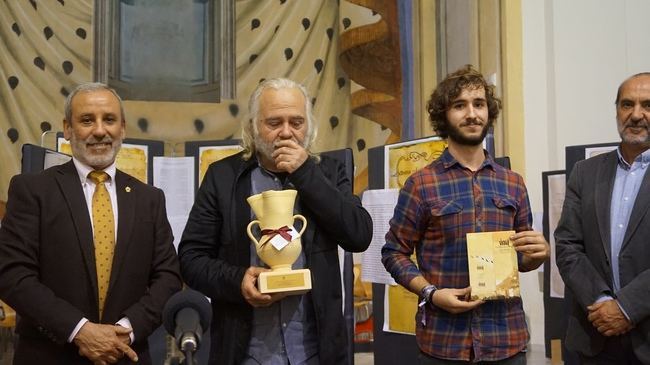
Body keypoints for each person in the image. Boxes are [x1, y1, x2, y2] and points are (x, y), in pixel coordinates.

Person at [178, 77, 372, 364]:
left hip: (316, 352)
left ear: (309, 126)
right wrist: (237, 280)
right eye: (274, 123)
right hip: (246, 352)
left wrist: (305, 172)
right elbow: (191, 259)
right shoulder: (223, 177)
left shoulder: (329, 173)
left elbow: (358, 234)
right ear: (253, 127)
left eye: (296, 122)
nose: (286, 133)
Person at [0, 82, 182, 364]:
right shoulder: (32, 190)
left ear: (122, 128)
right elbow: (12, 274)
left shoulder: (150, 199)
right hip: (50, 355)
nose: (99, 130)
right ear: (68, 129)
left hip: (125, 353)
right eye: (87, 120)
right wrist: (80, 331)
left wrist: (125, 331)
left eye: (109, 119)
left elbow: (168, 277)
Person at [382, 65, 550, 364]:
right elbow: (394, 253)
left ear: (489, 112)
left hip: (506, 341)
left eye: (479, 104)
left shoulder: (513, 183)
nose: (472, 113)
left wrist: (536, 255)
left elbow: (521, 259)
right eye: (460, 105)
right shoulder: (421, 184)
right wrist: (431, 293)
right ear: (444, 115)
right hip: (444, 342)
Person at [555, 73, 650, 364]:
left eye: (647, 105)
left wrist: (626, 308)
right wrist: (601, 302)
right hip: (595, 337)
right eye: (626, 104)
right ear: (616, 111)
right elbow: (567, 245)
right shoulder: (585, 172)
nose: (635, 115)